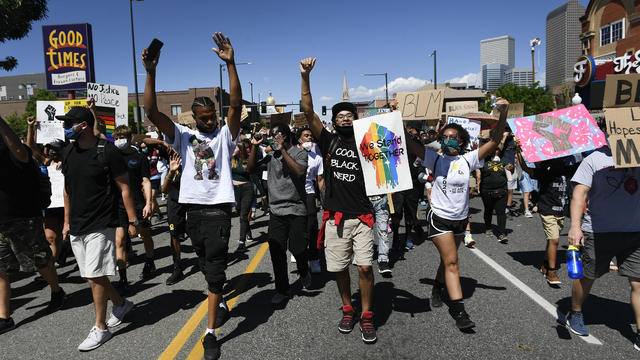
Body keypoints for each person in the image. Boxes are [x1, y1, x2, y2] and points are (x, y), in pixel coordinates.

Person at [143, 32, 239, 360]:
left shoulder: (226, 135)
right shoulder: (183, 135)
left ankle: (210, 333)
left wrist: (231, 65)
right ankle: (221, 298)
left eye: (213, 117)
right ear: (195, 118)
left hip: (218, 210)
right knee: (202, 262)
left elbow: (236, 106)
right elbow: (151, 112)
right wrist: (151, 72)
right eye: (205, 119)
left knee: (214, 271)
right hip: (191, 211)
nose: (211, 122)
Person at [405, 98, 510, 330]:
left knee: (447, 260)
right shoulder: (434, 158)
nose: (449, 139)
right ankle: (460, 311)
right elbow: (411, 144)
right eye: (445, 136)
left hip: (461, 220)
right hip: (440, 219)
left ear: (462, 141)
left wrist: (504, 114)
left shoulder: (468, 159)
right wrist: (399, 120)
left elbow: (495, 140)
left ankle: (437, 286)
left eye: (454, 136)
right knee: (452, 261)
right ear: (440, 140)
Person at [300, 58, 377, 344]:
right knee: (340, 268)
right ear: (334, 122)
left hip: (363, 215)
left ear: (355, 119)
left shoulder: (368, 142)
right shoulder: (328, 141)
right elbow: (308, 110)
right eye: (341, 116)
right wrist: (305, 77)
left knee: (366, 268)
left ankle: (367, 315)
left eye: (350, 115)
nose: (346, 118)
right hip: (336, 218)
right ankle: (348, 308)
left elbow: (394, 156)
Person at [58, 106, 138, 351]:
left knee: (94, 275)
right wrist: (66, 221)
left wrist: (133, 220)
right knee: (93, 275)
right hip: (78, 224)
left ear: (83, 125)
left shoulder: (107, 151)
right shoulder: (69, 151)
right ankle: (121, 304)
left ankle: (101, 327)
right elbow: (67, 189)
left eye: (69, 123)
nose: (65, 127)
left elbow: (124, 187)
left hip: (102, 222)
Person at [565, 145, 640, 352]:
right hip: (598, 231)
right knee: (588, 276)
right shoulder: (595, 159)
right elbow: (579, 194)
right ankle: (576, 312)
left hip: (635, 231)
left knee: (638, 282)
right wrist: (575, 226)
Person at [0, 115, 66, 335]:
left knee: (40, 260)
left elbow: (22, 151)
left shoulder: (16, 153)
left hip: (23, 218)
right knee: (0, 269)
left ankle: (56, 291)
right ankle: (4, 317)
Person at [248, 124, 311, 304]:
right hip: (276, 211)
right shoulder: (270, 156)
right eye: (272, 135)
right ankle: (283, 289)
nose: (274, 138)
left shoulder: (299, 153)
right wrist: (254, 145)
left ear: (286, 136)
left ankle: (303, 270)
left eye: (277, 135)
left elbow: (299, 172)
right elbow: (251, 169)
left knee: (298, 249)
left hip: (296, 209)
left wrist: (282, 150)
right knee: (277, 251)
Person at [519, 153, 575, 286]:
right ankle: (552, 271)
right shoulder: (545, 170)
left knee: (552, 240)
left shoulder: (567, 170)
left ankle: (545, 264)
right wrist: (518, 152)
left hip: (560, 210)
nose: (561, 158)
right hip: (547, 209)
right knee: (554, 240)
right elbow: (527, 169)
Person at [112, 125, 155, 288]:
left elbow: (146, 181)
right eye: (115, 138)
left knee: (144, 234)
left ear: (130, 138)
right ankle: (123, 278)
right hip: (118, 205)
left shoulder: (139, 158)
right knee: (120, 240)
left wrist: (148, 203)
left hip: (137, 203)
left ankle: (150, 261)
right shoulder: (112, 157)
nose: (118, 141)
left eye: (121, 137)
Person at [297, 126, 324, 273]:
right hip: (293, 195)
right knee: (297, 226)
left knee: (312, 226)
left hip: (309, 194)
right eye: (306, 136)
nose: (309, 139)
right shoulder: (291, 154)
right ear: (299, 138)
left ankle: (314, 258)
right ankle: (298, 252)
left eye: (311, 136)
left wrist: (323, 199)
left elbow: (320, 180)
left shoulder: (317, 158)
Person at [477, 146, 511, 243]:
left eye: (496, 149)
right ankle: (488, 228)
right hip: (487, 190)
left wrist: (510, 168)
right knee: (488, 210)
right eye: (492, 149)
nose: (494, 151)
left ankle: (502, 233)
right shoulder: (483, 160)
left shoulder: (504, 160)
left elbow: (510, 169)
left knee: (501, 212)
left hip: (502, 190)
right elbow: (477, 171)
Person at [162, 151, 186, 285]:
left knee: (197, 234)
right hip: (174, 203)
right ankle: (177, 267)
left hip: (192, 202)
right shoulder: (173, 163)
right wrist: (171, 172)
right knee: (174, 235)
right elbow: (164, 190)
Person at [231, 139, 254, 252]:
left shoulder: (247, 160)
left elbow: (254, 177)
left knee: (243, 215)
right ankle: (248, 231)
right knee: (240, 213)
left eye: (235, 148)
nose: (233, 149)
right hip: (235, 190)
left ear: (240, 150)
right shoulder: (230, 160)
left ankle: (241, 242)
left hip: (247, 189)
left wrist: (263, 194)